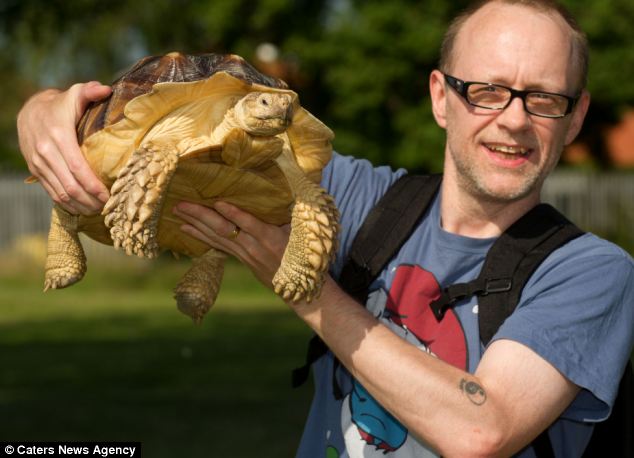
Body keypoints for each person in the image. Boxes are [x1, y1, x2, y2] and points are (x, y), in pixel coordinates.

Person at [16, 0, 634, 456]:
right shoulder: (366, 203)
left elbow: (481, 430)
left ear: (576, 117)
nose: (514, 121)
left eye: (544, 99)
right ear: (441, 98)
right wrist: (43, 110)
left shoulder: (592, 273)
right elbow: (196, 123)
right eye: (487, 92)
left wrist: (308, 290)